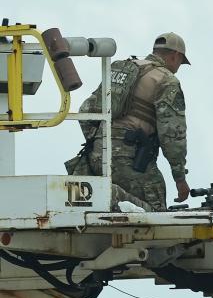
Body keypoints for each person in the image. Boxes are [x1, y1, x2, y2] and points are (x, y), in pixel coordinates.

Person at [66, 33, 190, 210]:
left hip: (95, 154)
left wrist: (101, 141)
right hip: (131, 159)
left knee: (99, 212)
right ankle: (113, 195)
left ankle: (107, 197)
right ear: (175, 56)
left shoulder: (122, 69)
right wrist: (179, 178)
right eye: (180, 62)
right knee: (157, 213)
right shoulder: (166, 80)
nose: (178, 67)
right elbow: (172, 135)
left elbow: (86, 110)